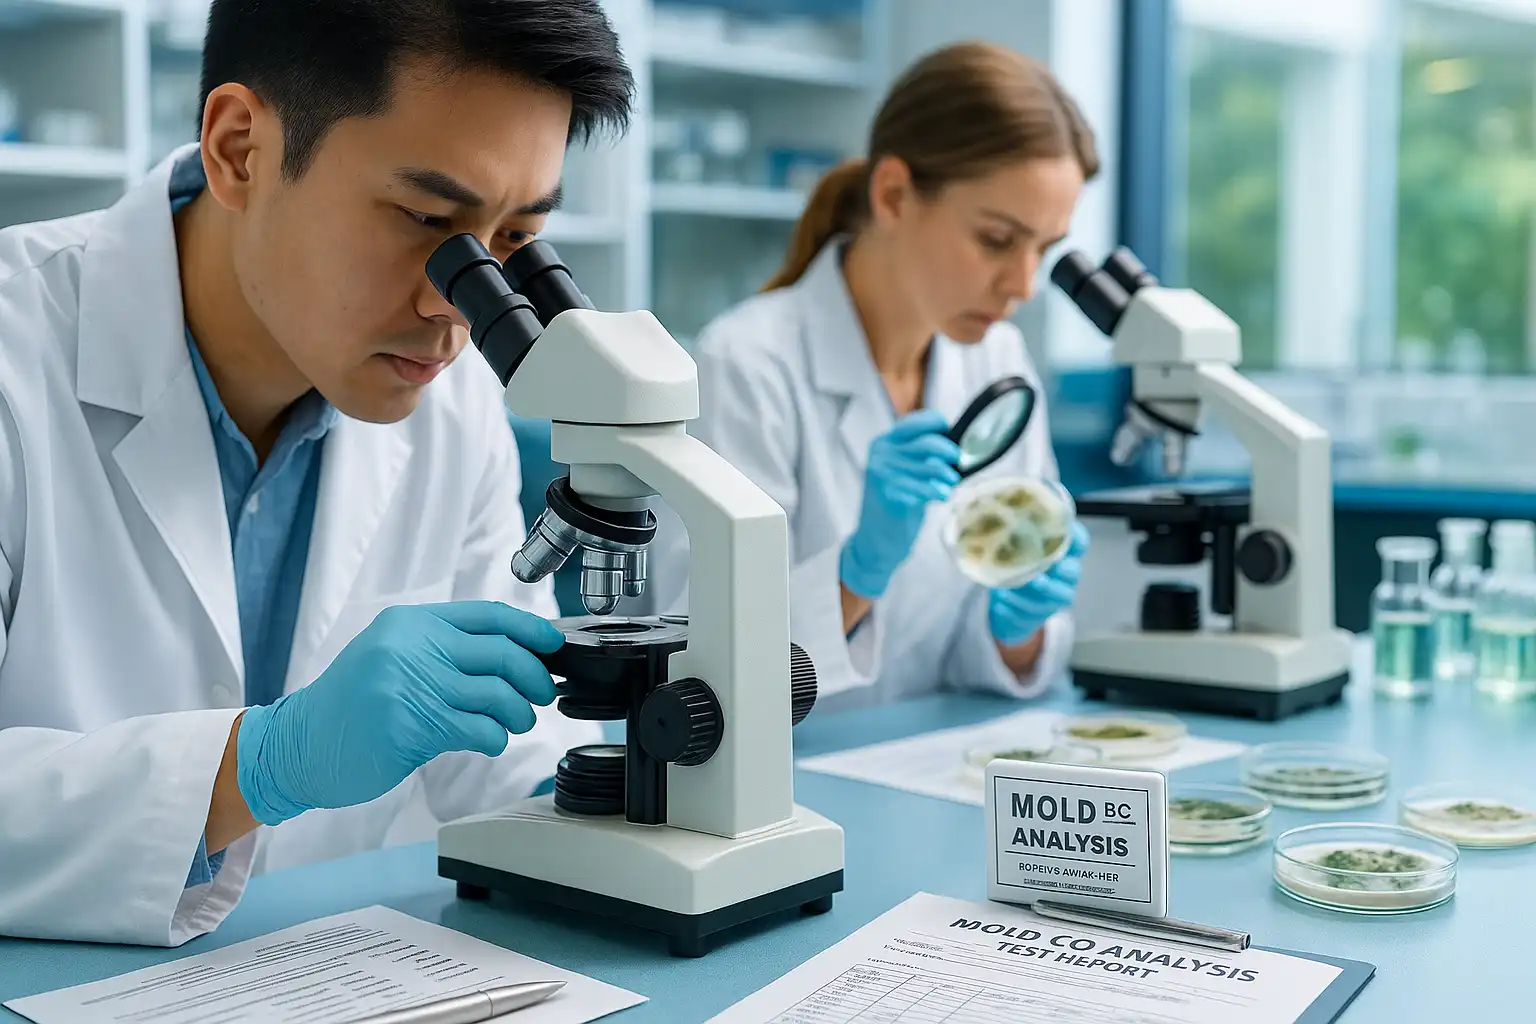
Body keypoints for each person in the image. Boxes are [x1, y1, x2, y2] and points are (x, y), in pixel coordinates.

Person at [0, 0, 633, 946]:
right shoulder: (15, 356)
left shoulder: (453, 402)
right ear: (240, 150)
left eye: (510, 242)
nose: (456, 308)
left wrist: (596, 805)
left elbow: (503, 742)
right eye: (427, 219)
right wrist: (260, 765)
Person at [660, 42, 1095, 709]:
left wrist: (1017, 628)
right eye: (997, 240)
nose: (1024, 284)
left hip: (932, 753)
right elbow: (697, 659)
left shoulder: (998, 361)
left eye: (1045, 249)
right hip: (786, 765)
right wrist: (856, 574)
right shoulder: (746, 363)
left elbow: (975, 656)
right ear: (893, 195)